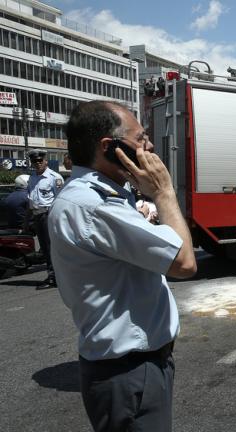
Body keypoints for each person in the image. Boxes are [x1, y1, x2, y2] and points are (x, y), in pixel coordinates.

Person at [49, 100, 197, 431]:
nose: (149, 146)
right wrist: (164, 193)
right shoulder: (94, 205)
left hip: (132, 368)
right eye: (141, 137)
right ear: (109, 146)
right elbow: (185, 262)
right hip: (130, 372)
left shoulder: (100, 197)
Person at [27, 149, 63, 288]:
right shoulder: (32, 177)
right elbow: (31, 200)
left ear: (46, 161)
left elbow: (60, 199)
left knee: (51, 247)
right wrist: (26, 221)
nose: (37, 164)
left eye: (40, 161)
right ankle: (52, 274)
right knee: (45, 248)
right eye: (34, 161)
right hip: (37, 215)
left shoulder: (54, 177)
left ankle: (55, 277)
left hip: (48, 215)